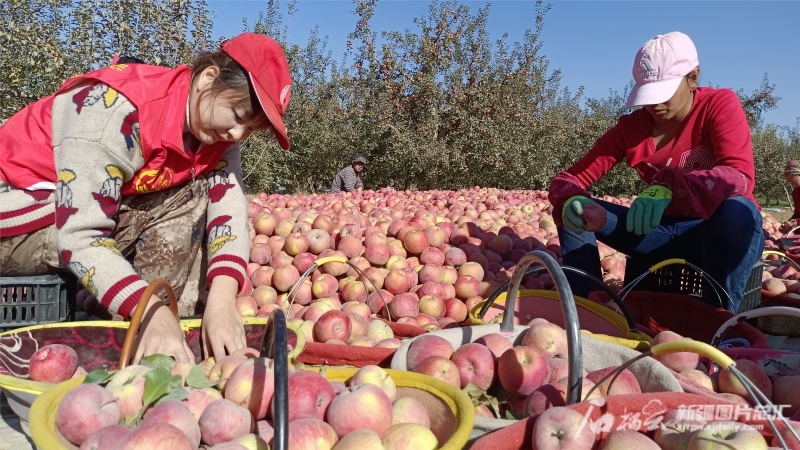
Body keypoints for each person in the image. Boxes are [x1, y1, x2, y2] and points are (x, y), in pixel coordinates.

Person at [0, 33, 293, 363]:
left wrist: (223, 299)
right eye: (238, 116)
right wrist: (149, 308)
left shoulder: (213, 132)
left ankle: (168, 349)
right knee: (189, 193)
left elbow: (230, 206)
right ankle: (149, 328)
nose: (238, 135)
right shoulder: (114, 110)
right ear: (209, 79)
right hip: (17, 226)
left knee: (196, 193)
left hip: (59, 221)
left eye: (250, 130)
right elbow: (79, 237)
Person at [548, 31, 763, 313]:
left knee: (739, 211)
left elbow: (739, 178)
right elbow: (570, 179)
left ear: (693, 77)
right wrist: (576, 199)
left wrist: (671, 186)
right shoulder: (631, 128)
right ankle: (586, 309)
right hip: (655, 232)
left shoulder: (718, 105)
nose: (655, 105)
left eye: (664, 93)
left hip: (711, 234)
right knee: (573, 209)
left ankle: (719, 320)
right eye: (649, 95)